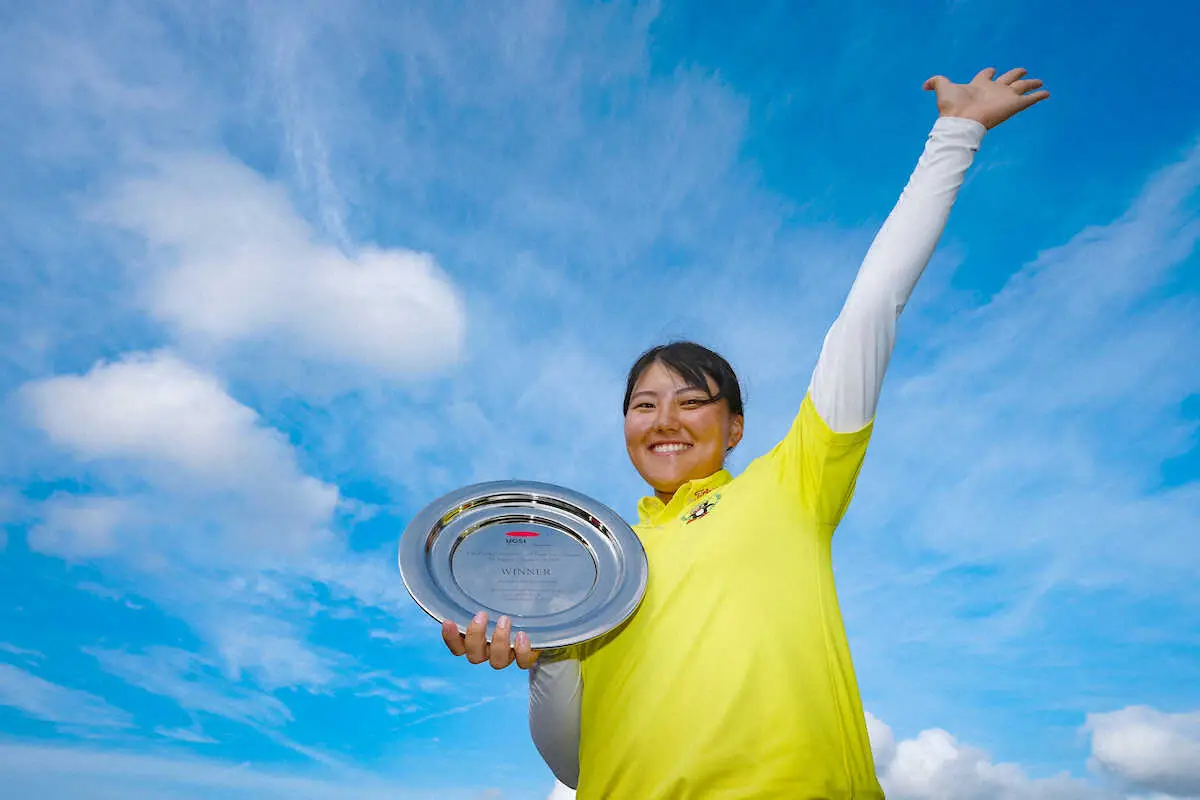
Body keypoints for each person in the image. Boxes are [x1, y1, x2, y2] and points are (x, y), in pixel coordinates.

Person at [440, 67, 1050, 799]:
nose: (664, 420)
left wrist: (956, 134)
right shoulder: (597, 568)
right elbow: (576, 761)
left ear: (734, 428)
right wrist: (544, 656)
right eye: (643, 406)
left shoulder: (793, 484)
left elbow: (869, 311)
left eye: (691, 401)